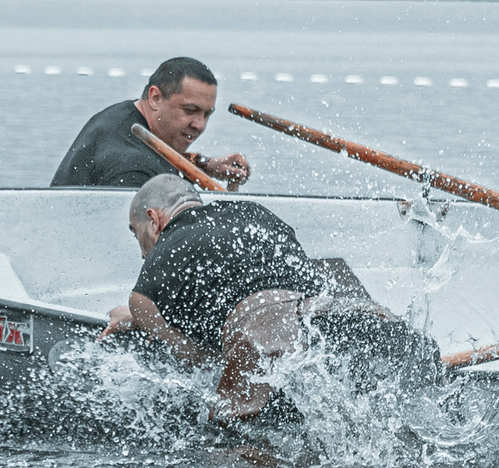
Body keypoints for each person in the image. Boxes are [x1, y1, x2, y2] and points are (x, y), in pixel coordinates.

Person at [103, 175, 443, 424]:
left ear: (153, 219)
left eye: (138, 236)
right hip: (336, 307)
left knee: (226, 433)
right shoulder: (254, 213)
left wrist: (136, 316)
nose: (142, 251)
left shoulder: (169, 245)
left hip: (266, 329)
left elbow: (193, 355)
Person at [51, 57, 252, 189]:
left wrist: (204, 166)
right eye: (190, 111)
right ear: (155, 97)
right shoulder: (133, 169)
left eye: (207, 114)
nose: (200, 125)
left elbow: (156, 157)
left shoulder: (124, 117)